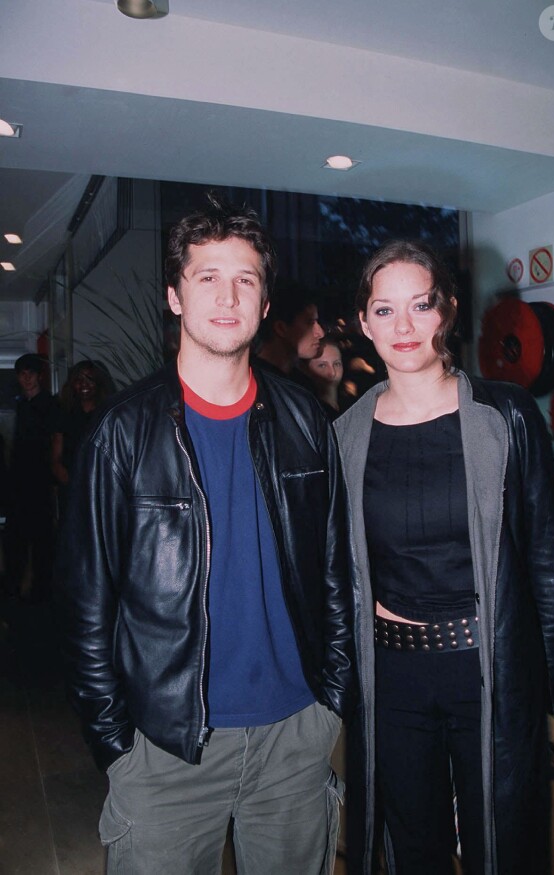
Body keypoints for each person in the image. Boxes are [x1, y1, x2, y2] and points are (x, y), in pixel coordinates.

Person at [56, 194, 355, 875]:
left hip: (294, 738)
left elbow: (336, 571)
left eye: (245, 278)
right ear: (174, 295)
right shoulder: (122, 435)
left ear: (265, 300)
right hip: (165, 748)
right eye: (206, 276)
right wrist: (118, 743)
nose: (227, 295)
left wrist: (330, 703)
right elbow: (84, 605)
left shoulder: (305, 421)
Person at [333, 239, 554, 875]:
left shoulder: (506, 414)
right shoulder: (345, 435)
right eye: (384, 310)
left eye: (421, 304)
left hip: (486, 667)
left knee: (501, 845)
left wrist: (543, 680)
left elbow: (545, 552)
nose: (403, 326)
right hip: (394, 678)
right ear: (363, 322)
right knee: (415, 850)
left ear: (447, 311)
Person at [4, 353, 59, 602]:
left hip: (40, 480)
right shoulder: (20, 404)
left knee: (40, 539)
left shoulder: (49, 405)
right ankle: (17, 588)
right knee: (17, 537)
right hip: (19, 481)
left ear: (39, 376)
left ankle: (41, 591)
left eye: (30, 374)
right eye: (22, 374)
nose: (26, 379)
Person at [51, 359, 115, 517]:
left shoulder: (109, 415)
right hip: (71, 487)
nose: (84, 384)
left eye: (89, 379)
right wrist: (69, 481)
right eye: (79, 380)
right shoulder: (64, 414)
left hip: (101, 488)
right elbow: (56, 457)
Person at [255, 281, 325, 388]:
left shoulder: (301, 382)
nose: (320, 333)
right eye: (310, 323)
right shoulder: (255, 383)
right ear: (281, 328)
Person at [306, 335, 348, 421]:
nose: (332, 372)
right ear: (306, 369)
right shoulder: (309, 413)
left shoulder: (351, 403)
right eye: (322, 365)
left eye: (336, 364)